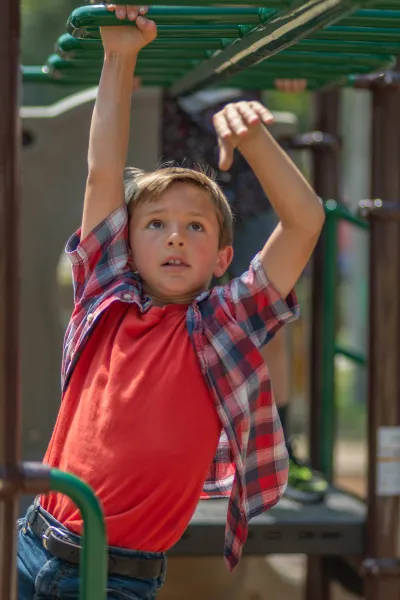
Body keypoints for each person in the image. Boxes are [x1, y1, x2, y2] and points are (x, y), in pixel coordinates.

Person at [17, 5, 325, 599]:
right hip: (37, 545)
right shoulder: (105, 299)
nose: (176, 235)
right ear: (126, 246)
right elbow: (101, 173)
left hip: (117, 577)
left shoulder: (223, 325)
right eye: (155, 224)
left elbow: (305, 222)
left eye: (196, 227)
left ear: (222, 259)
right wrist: (119, 55)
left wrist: (254, 139)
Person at [162, 83, 328, 503]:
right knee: (171, 311)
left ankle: (280, 448)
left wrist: (286, 71)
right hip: (174, 133)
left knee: (268, 317)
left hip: (244, 141)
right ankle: (177, 450)